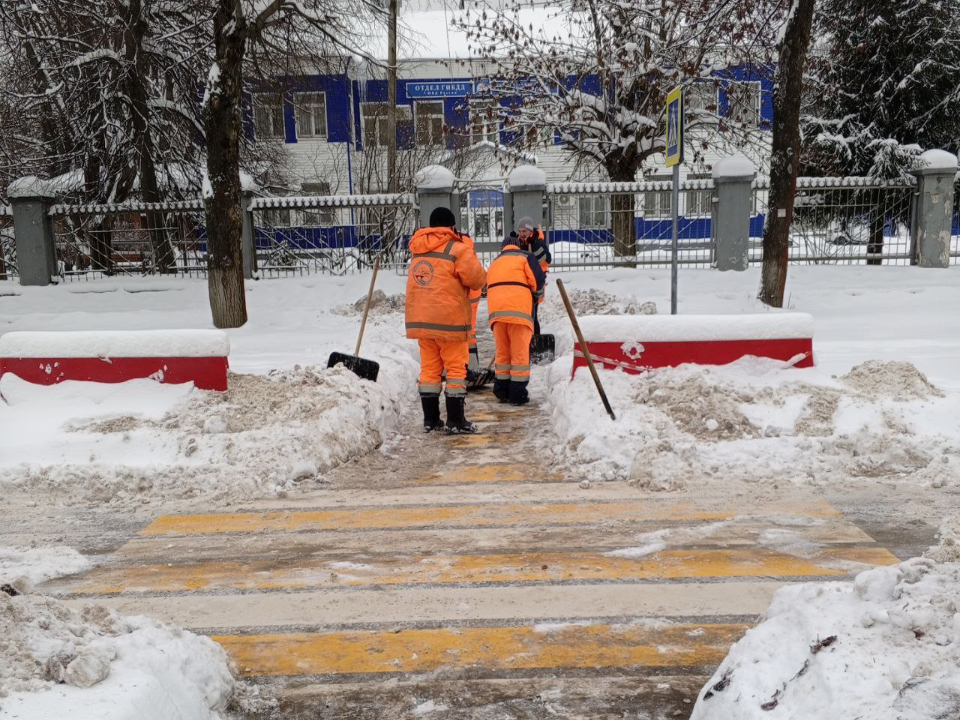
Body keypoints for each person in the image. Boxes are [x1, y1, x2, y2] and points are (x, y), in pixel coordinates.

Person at [405, 207, 487, 434]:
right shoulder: (457, 249)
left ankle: (431, 420)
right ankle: (456, 421)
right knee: (456, 370)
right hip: (449, 322)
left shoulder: (418, 249)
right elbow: (476, 279)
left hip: (422, 320)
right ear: (451, 226)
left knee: (430, 370)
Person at [486, 234, 546, 405]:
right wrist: (537, 297)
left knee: (503, 353)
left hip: (497, 314)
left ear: (503, 248)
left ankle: (501, 391)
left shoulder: (495, 262)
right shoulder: (525, 257)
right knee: (519, 354)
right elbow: (538, 280)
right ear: (517, 246)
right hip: (519, 313)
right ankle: (517, 394)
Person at [514, 216, 551, 336]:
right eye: (520, 231)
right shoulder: (519, 242)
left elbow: (545, 261)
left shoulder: (538, 242)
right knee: (523, 314)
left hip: (536, 284)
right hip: (522, 284)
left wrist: (534, 245)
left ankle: (534, 338)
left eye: (524, 231)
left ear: (530, 231)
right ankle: (524, 338)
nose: (521, 234)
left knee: (533, 314)